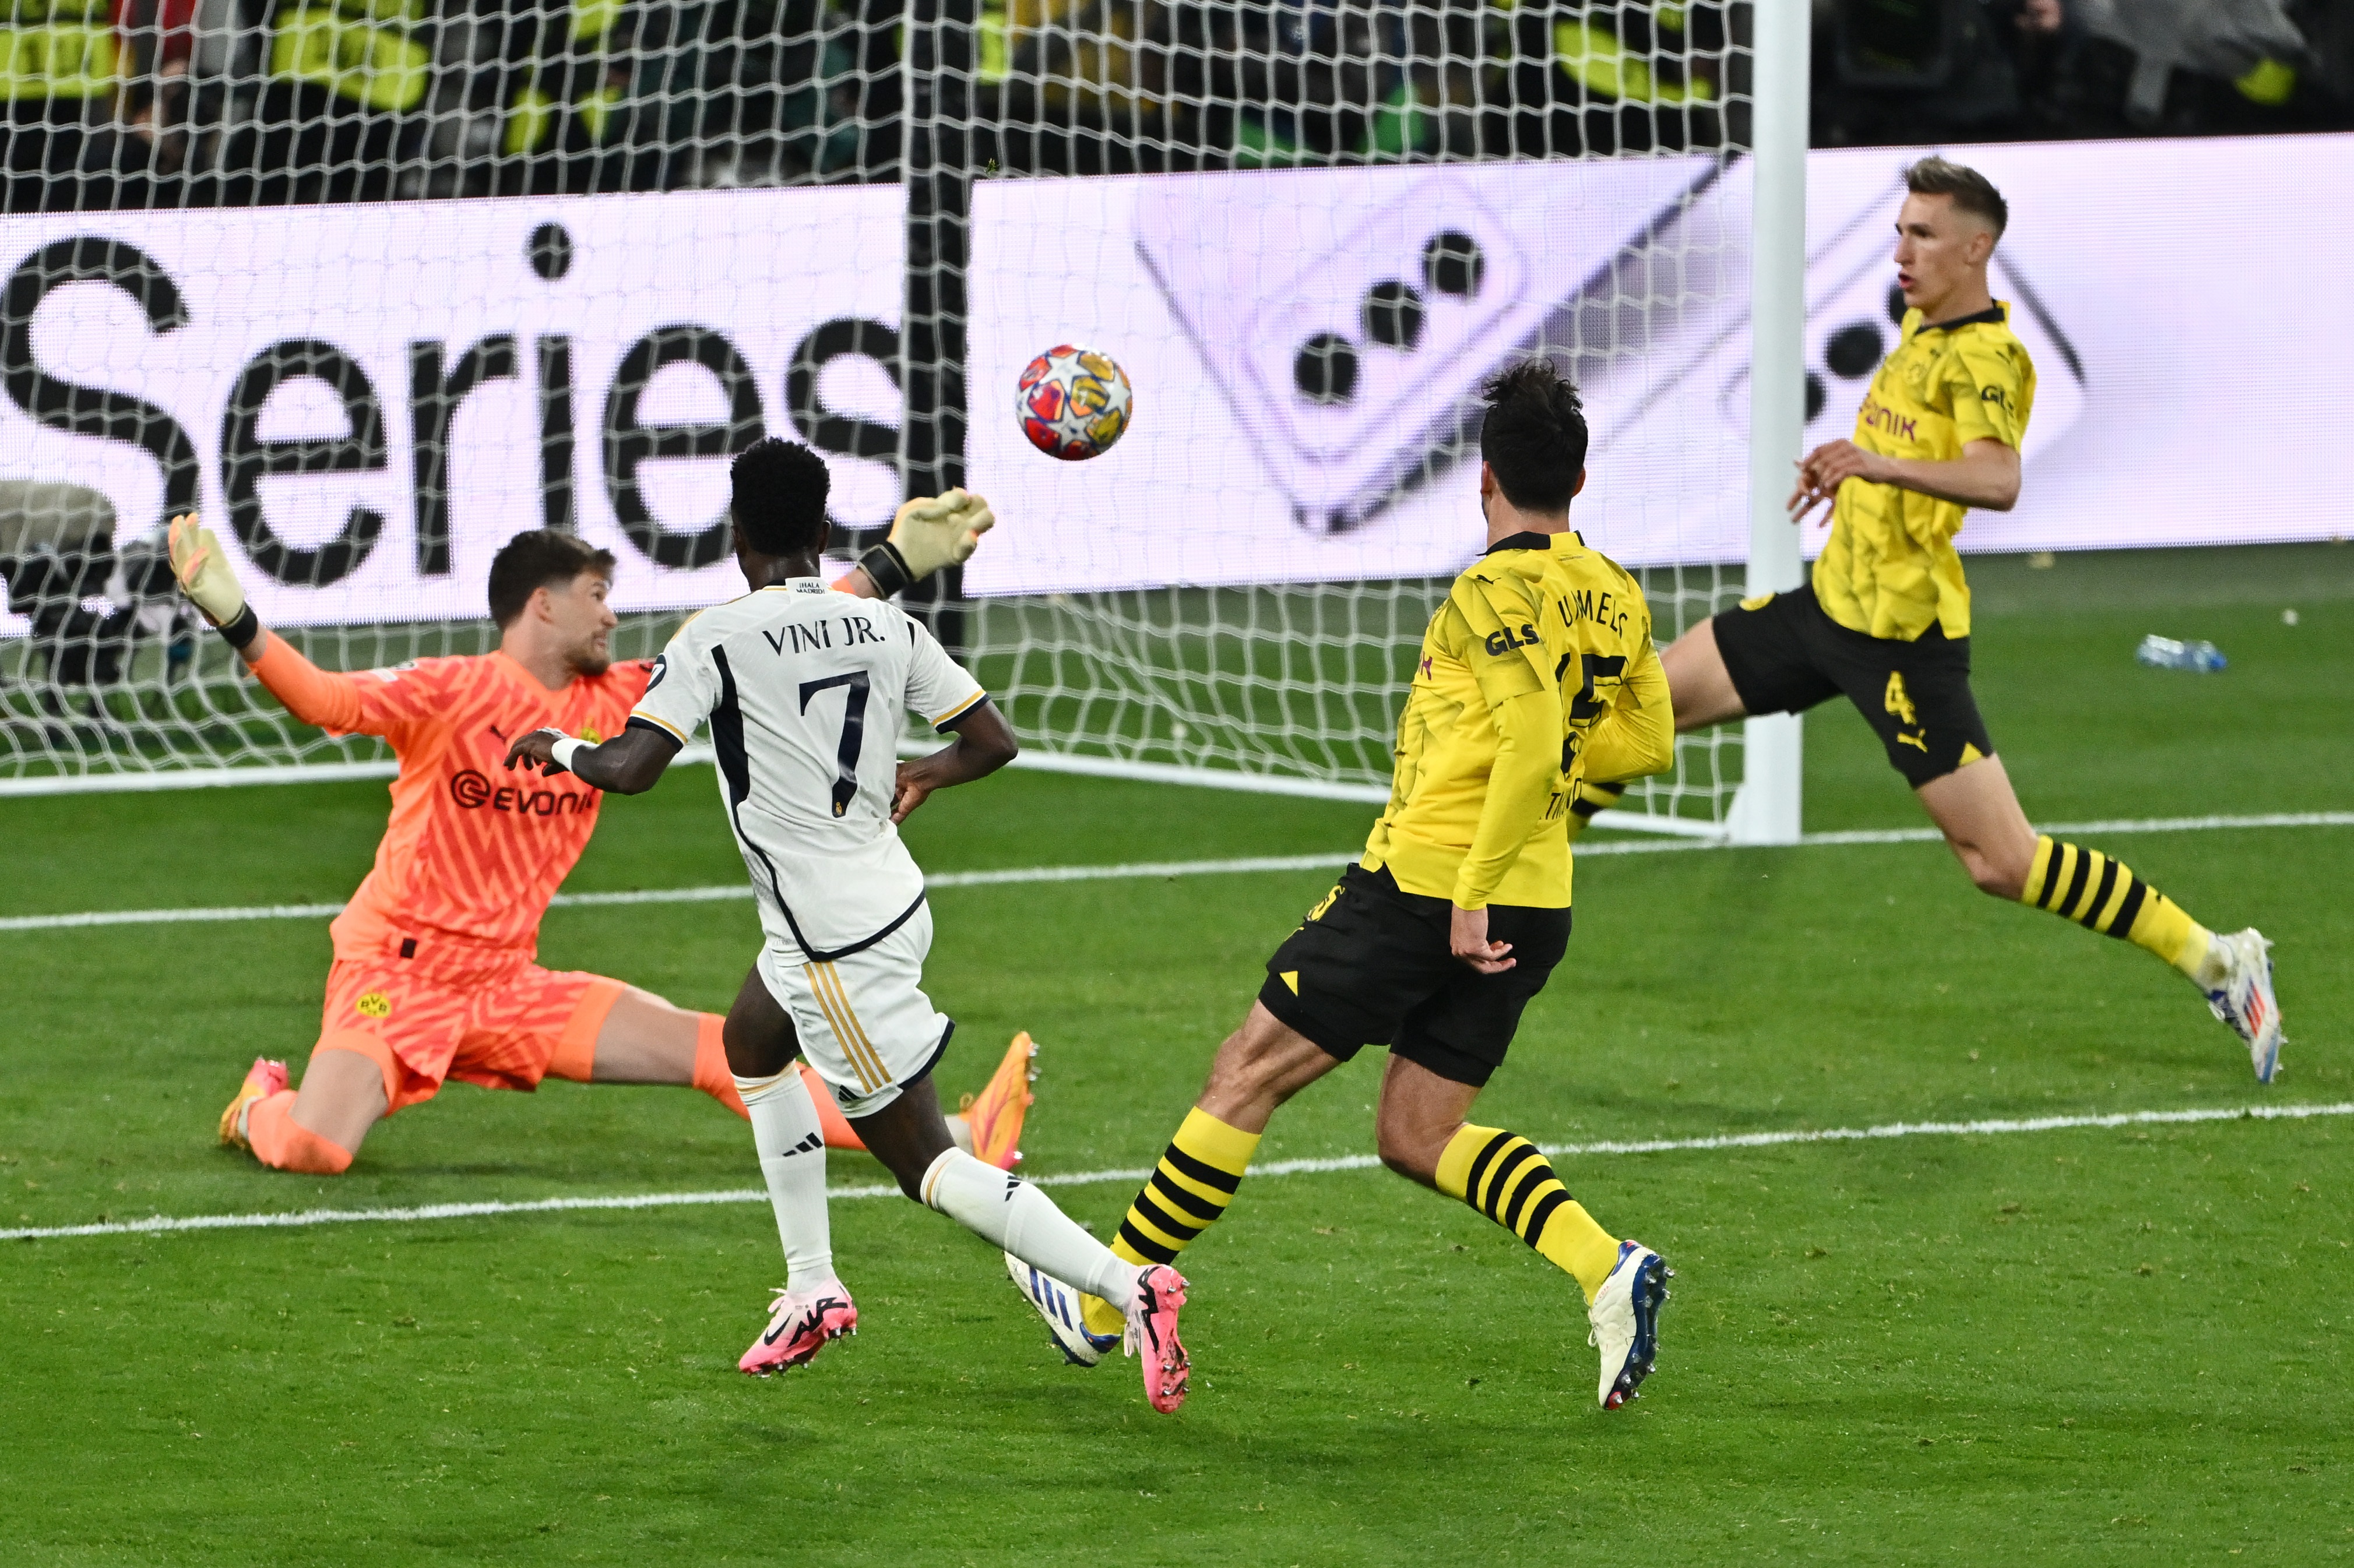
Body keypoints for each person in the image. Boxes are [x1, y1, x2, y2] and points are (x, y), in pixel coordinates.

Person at [1006, 361, 1679, 1411]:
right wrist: (1535, 810)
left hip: (1429, 890)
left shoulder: (1491, 588)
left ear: (1484, 479)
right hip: (1539, 902)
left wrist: (1471, 884)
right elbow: (1647, 742)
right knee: (1416, 1135)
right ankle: (1607, 1266)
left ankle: (1103, 1306)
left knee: (1246, 1073)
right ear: (1580, 482)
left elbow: (1538, 732)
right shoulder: (1616, 591)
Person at [502, 438, 1194, 1410]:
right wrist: (927, 773)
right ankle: (812, 1286)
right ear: (823, 533)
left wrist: (557, 744)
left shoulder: (717, 636)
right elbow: (993, 741)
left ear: (736, 535)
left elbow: (631, 767)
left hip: (834, 947)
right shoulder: (883, 627)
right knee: (751, 1042)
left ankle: (1131, 1287)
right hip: (880, 904)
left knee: (928, 1165)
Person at [1570, 156, 2285, 1081]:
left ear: (1976, 248)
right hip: (1825, 607)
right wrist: (1853, 467)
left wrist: (1877, 467)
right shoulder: (1922, 324)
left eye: (1924, 235)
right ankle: (1507, 907)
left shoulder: (1990, 358)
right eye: (1901, 231)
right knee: (1631, 713)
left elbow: (1999, 478)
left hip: (1903, 646)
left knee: (2001, 862)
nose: (1901, 251)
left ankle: (2218, 958)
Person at [176, 496, 1032, 1216]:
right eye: (596, 595)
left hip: (509, 985)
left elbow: (766, 631)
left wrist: (894, 562)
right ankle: (258, 1106)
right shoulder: (448, 689)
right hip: (396, 976)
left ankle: (960, 1139)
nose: (612, 615)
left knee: (721, 1050)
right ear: (541, 605)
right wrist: (235, 615)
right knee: (319, 1150)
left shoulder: (619, 697)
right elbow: (325, 698)